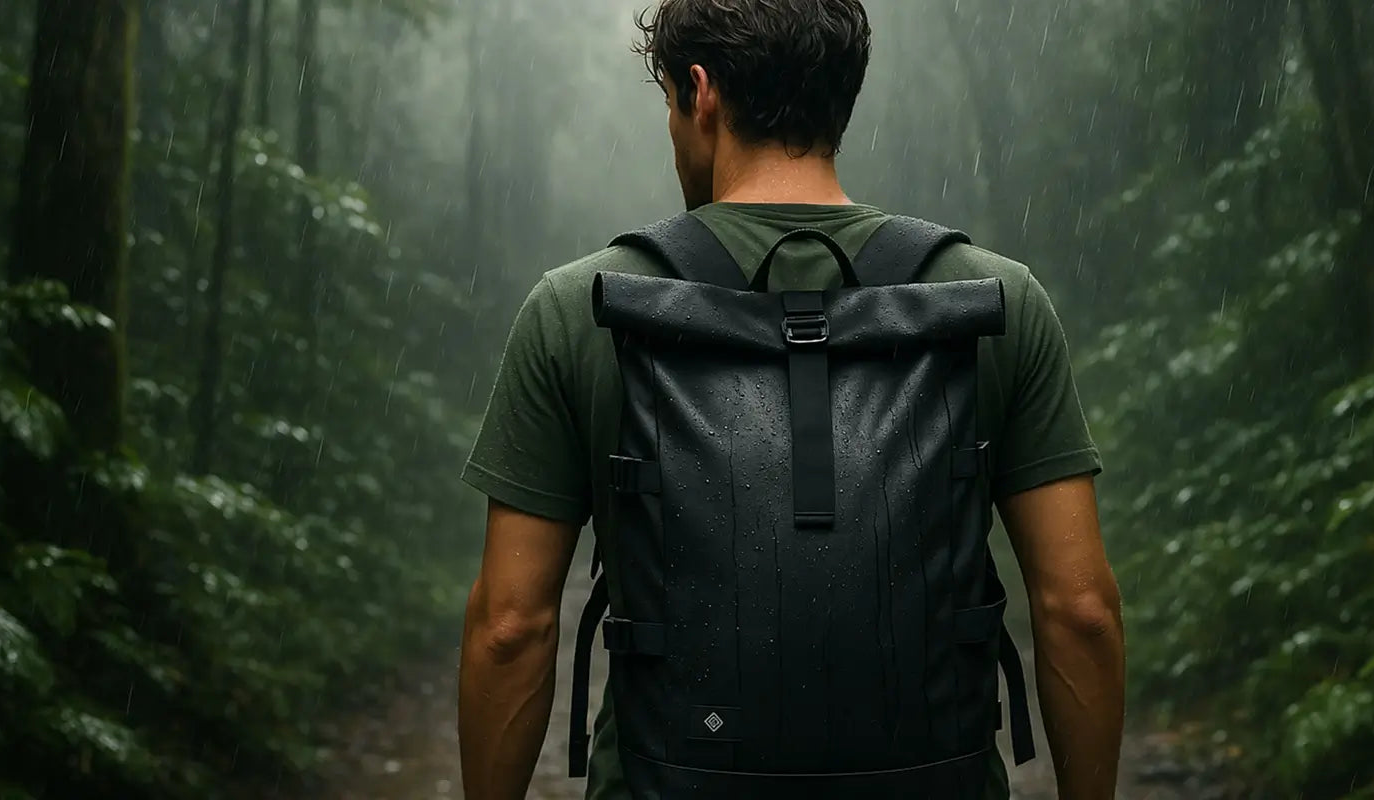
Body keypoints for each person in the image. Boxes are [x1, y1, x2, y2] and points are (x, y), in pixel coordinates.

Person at [456, 1, 1126, 798]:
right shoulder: (995, 301)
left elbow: (511, 629)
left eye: (670, 102)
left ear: (701, 93)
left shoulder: (579, 308)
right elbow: (1079, 611)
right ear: (840, 91)